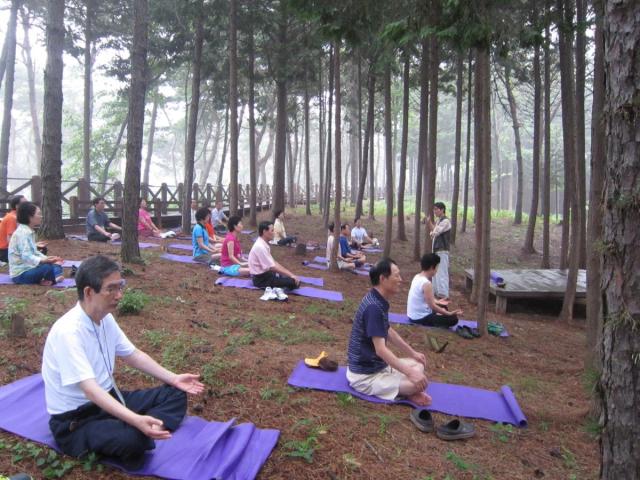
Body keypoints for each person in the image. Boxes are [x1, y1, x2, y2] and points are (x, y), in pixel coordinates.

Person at [42, 255, 204, 469]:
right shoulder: (68, 332)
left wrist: (174, 378)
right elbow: (90, 390)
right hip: (76, 421)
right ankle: (141, 428)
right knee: (133, 441)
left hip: (109, 400)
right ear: (89, 292)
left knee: (174, 393)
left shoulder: (105, 318)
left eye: (121, 287)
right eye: (111, 289)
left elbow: (133, 355)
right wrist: (135, 419)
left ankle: (148, 426)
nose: (119, 295)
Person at [347, 258, 431, 406]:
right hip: (365, 376)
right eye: (396, 276)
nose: (401, 280)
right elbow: (381, 350)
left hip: (379, 367)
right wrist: (409, 373)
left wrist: (412, 353)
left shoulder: (378, 300)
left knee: (418, 364)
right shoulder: (373, 307)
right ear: (383, 279)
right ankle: (408, 392)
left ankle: (405, 391)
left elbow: (388, 331)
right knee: (415, 382)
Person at [8, 202, 64, 286]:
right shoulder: (23, 233)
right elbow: (26, 256)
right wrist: (44, 261)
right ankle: (52, 280)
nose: (41, 217)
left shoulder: (28, 231)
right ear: (30, 217)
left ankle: (46, 278)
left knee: (55, 266)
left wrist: (48, 258)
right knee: (47, 267)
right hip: (21, 274)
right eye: (39, 214)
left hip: (30, 267)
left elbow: (34, 252)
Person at [407, 253, 462, 327]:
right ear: (432, 267)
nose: (437, 270)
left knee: (443, 307)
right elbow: (432, 306)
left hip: (413, 314)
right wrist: (449, 313)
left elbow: (427, 299)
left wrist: (438, 302)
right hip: (419, 318)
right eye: (436, 267)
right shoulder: (426, 284)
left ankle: (438, 315)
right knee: (453, 319)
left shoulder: (417, 276)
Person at [248, 220, 301, 290]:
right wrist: (291, 275)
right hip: (261, 280)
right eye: (272, 230)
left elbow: (273, 262)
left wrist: (291, 274)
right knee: (293, 282)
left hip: (267, 274)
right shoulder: (260, 246)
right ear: (264, 232)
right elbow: (272, 267)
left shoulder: (263, 244)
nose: (274, 233)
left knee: (291, 278)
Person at [428, 202, 451, 300]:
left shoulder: (446, 221)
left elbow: (436, 232)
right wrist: (430, 224)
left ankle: (443, 295)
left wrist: (431, 227)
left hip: (442, 251)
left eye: (436, 209)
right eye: (434, 209)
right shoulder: (439, 221)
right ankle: (436, 293)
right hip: (436, 251)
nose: (435, 211)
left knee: (441, 273)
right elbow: (434, 232)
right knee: (435, 273)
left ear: (442, 210)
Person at [0, 195, 27, 264]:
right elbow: (11, 239)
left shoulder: (16, 217)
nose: (27, 205)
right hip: (5, 251)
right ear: (17, 206)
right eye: (24, 203)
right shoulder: (12, 218)